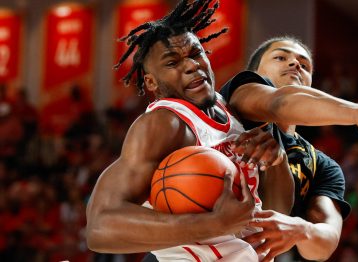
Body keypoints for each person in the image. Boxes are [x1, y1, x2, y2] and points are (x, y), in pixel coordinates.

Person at [86, 1, 293, 261]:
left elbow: (275, 217)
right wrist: (213, 224)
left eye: (196, 54)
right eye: (172, 62)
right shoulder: (163, 124)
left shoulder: (232, 112)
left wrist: (277, 160)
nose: (191, 65)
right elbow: (99, 228)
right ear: (151, 82)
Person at [219, 36, 358, 261]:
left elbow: (324, 243)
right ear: (255, 73)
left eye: (305, 65)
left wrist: (304, 230)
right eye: (281, 57)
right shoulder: (239, 95)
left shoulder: (322, 165)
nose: (295, 64)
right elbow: (279, 103)